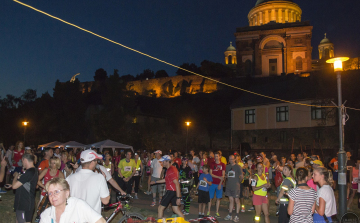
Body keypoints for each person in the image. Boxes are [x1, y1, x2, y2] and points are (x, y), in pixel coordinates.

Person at [40, 177, 106, 223]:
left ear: (66, 193)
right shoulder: (46, 214)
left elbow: (101, 221)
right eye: (50, 193)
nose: (53, 196)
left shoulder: (78, 205)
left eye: (56, 192)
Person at [66, 149, 110, 214]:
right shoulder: (99, 178)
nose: (97, 163)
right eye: (96, 161)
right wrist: (104, 182)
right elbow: (105, 201)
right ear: (92, 162)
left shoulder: (69, 178)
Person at [150, 155, 184, 219]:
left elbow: (177, 183)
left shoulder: (171, 170)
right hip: (173, 191)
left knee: (160, 208)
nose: (161, 163)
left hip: (171, 191)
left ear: (167, 161)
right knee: (175, 209)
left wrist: (178, 197)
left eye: (162, 162)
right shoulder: (170, 169)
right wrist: (155, 182)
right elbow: (166, 179)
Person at [12, 153, 38, 223]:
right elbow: (26, 183)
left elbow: (14, 186)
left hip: (24, 204)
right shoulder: (33, 171)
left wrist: (16, 176)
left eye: (22, 161)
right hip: (25, 203)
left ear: (25, 160)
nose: (22, 163)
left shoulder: (29, 172)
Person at [224, 155, 243, 222]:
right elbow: (226, 175)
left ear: (235, 159)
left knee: (237, 200)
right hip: (229, 185)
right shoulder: (227, 166)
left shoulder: (238, 167)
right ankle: (230, 215)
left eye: (232, 159)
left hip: (236, 186)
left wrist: (238, 183)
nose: (231, 160)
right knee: (231, 200)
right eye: (230, 159)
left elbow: (241, 176)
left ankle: (237, 216)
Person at [209, 152, 226, 218]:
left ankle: (217, 212)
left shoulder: (223, 164)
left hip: (219, 184)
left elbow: (223, 175)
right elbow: (211, 173)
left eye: (217, 156)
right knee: (210, 198)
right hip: (212, 183)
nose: (216, 158)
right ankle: (208, 211)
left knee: (218, 199)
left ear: (220, 157)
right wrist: (219, 177)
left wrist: (220, 183)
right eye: (215, 156)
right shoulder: (212, 164)